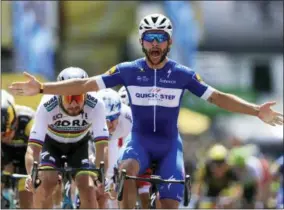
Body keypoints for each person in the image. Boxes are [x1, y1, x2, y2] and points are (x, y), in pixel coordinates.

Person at [8, 13, 283, 208]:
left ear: (169, 43)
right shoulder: (128, 70)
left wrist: (257, 110)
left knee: (168, 203)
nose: (154, 44)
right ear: (142, 41)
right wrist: (43, 89)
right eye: (149, 38)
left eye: (160, 38)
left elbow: (219, 98)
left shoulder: (182, 74)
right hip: (139, 141)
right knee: (126, 171)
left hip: (168, 146)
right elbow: (85, 83)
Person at [23, 67, 109, 208]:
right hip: (51, 144)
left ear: (86, 95)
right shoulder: (47, 104)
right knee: (45, 182)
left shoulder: (96, 104)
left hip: (80, 144)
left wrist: (101, 176)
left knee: (88, 188)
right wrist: (32, 175)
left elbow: (102, 146)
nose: (74, 104)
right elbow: (33, 148)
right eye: (69, 98)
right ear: (59, 95)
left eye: (79, 98)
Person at [94, 88, 133, 208]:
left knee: (117, 175)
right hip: (95, 139)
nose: (108, 125)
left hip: (117, 140)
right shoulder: (88, 115)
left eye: (112, 119)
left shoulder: (127, 117)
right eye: (104, 120)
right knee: (96, 181)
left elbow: (131, 146)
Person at [1, 89, 34, 209]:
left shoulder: (28, 120)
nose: (4, 138)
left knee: (27, 201)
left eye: (6, 133)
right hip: (4, 153)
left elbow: (41, 148)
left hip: (26, 154)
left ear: (15, 122)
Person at [192, 144, 243, 208]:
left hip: (225, 192)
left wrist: (232, 198)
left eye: (221, 165)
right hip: (210, 192)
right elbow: (197, 184)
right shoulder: (205, 168)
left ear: (226, 164)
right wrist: (197, 197)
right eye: (215, 165)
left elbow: (238, 188)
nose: (218, 169)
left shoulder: (231, 170)